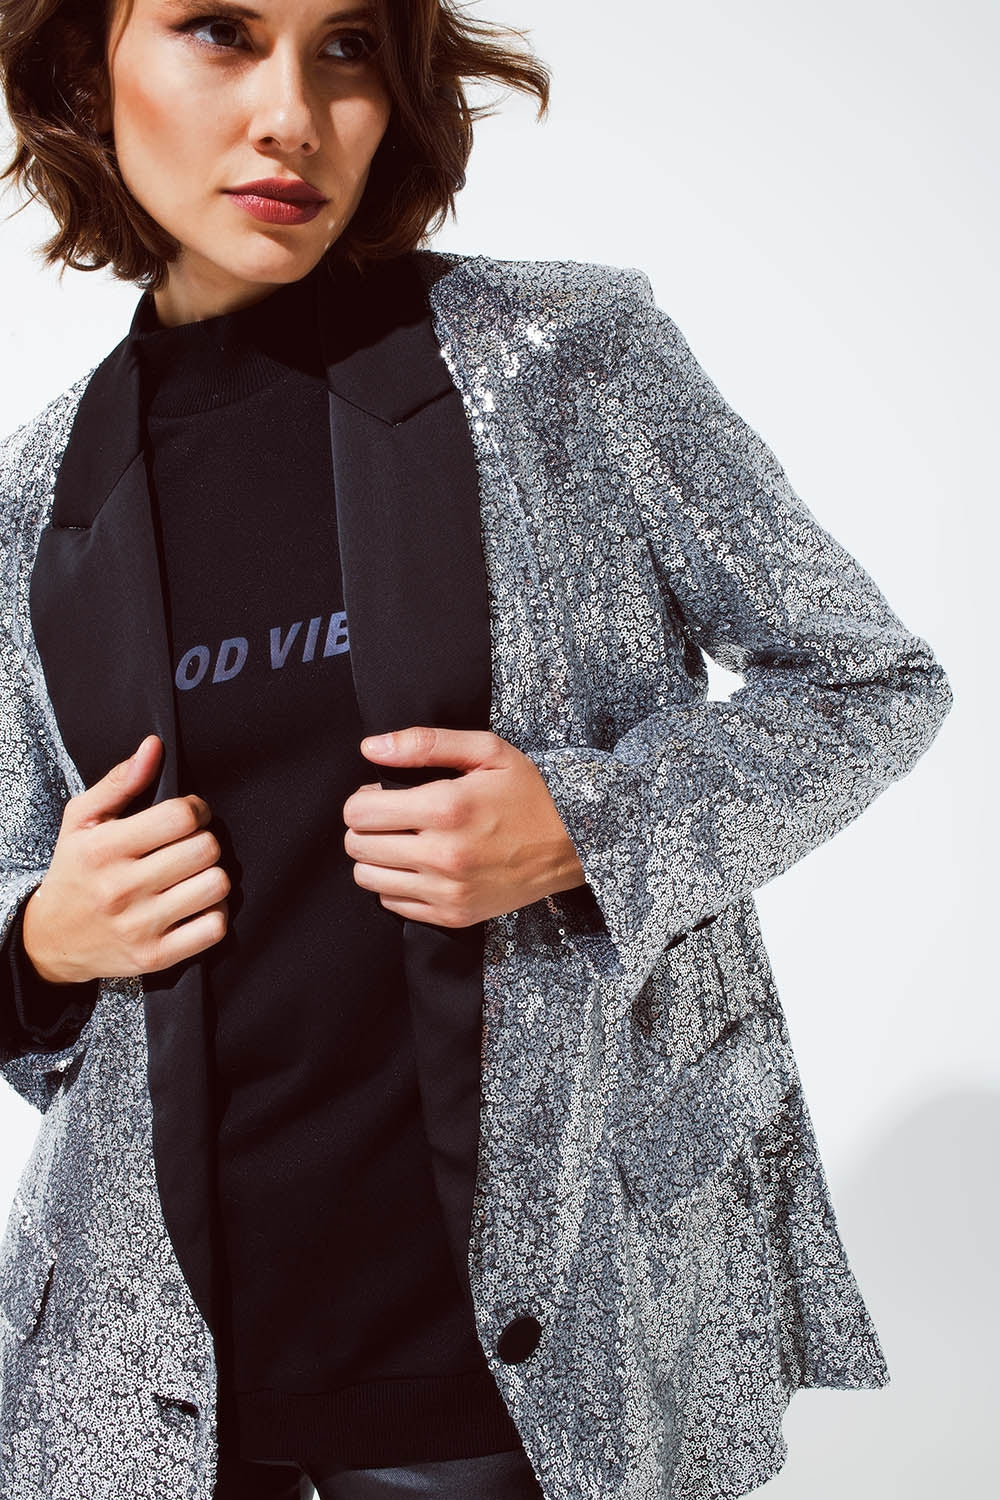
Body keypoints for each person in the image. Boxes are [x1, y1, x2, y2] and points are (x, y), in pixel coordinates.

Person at [0, 2, 953, 1499]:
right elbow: (25, 911)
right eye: (219, 32)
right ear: (82, 68)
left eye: (346, 48)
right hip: (141, 1381)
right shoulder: (34, 501)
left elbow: (869, 683)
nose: (291, 114)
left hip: (509, 1351)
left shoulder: (568, 360)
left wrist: (590, 825)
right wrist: (46, 938)